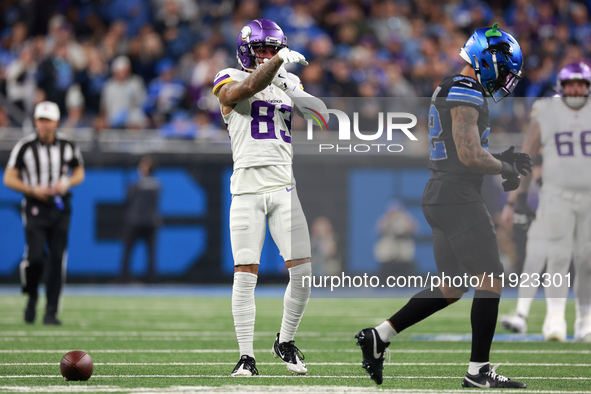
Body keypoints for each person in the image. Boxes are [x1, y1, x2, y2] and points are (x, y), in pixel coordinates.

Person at [355, 23, 532, 387]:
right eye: (504, 71)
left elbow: (461, 151)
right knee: (492, 279)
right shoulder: (467, 91)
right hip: (457, 195)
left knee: (452, 286)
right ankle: (478, 372)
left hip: (441, 191)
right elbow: (468, 155)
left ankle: (380, 336)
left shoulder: (454, 85)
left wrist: (497, 158)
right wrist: (504, 166)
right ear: (487, 60)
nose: (505, 80)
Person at [212, 18, 325, 377]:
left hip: (284, 188)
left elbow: (320, 116)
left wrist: (295, 89)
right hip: (246, 190)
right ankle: (246, 356)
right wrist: (276, 68)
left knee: (304, 274)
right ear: (247, 50)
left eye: (272, 50)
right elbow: (237, 94)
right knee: (245, 275)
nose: (267, 55)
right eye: (261, 49)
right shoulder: (227, 75)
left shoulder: (284, 80)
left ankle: (285, 341)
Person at [499, 62, 591, 342]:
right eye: (571, 84)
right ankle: (554, 320)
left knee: (586, 261)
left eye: (581, 84)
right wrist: (519, 198)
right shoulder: (546, 111)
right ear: (561, 87)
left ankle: (586, 321)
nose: (576, 89)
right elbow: (527, 154)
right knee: (558, 258)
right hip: (555, 194)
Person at [3, 101, 85, 325]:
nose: (43, 125)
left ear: (56, 122)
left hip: (60, 206)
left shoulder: (67, 145)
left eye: (48, 120)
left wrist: (67, 182)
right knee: (35, 257)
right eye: (40, 120)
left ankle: (51, 311)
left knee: (57, 259)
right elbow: (9, 177)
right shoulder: (25, 146)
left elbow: (80, 172)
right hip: (35, 206)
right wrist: (32, 189)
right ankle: (31, 299)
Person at [120, 156, 161, 283]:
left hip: (137, 222)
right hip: (148, 221)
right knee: (148, 253)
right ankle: (149, 279)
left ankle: (125, 279)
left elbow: (129, 198)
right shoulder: (156, 184)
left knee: (131, 251)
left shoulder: (140, 185)